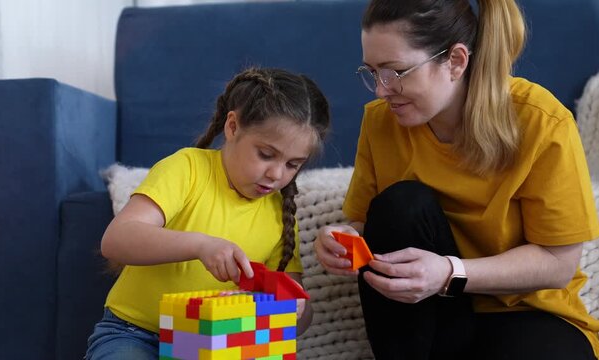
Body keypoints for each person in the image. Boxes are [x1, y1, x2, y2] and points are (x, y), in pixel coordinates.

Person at [314, 0, 599, 359]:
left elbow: (558, 265)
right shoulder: (380, 122)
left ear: (456, 61)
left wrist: (451, 271)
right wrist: (342, 240)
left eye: (395, 72)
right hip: (430, 320)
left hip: (526, 314)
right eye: (372, 72)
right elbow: (367, 223)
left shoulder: (542, 122)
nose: (381, 90)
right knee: (401, 204)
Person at [85, 67, 330, 359]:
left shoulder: (279, 213)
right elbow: (116, 241)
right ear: (233, 126)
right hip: (137, 334)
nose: (276, 174)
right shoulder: (187, 168)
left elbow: (299, 316)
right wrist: (201, 245)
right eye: (266, 154)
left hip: (214, 344)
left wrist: (290, 309)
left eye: (293, 164)